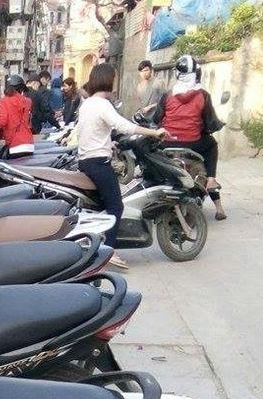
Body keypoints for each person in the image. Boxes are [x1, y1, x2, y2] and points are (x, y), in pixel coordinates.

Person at [76, 63, 169, 270]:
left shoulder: (87, 104)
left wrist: (109, 143)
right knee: (116, 206)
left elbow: (87, 131)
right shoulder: (102, 104)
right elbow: (124, 126)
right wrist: (154, 132)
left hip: (86, 161)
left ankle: (97, 242)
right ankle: (108, 250)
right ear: (108, 80)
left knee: (100, 205)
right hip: (99, 163)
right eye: (114, 79)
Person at [152, 54, 226, 220]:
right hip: (193, 143)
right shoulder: (203, 95)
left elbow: (156, 119)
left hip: (167, 143)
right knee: (212, 145)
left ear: (177, 74)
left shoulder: (168, 95)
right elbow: (210, 122)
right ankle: (212, 182)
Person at [0, 74, 34, 157]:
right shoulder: (27, 101)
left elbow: (2, 121)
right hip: (29, 144)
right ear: (21, 89)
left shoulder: (4, 102)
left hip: (15, 145)